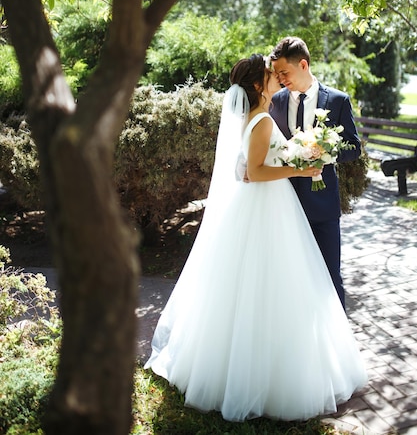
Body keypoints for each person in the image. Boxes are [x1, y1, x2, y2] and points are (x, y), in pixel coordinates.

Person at [145, 53, 367, 422]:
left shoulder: (254, 117)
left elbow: (242, 168)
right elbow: (255, 172)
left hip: (267, 206)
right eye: (270, 75)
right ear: (257, 86)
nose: (276, 79)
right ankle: (277, 376)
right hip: (270, 207)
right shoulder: (263, 119)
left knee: (256, 286)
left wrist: (294, 161)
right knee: (275, 286)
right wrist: (299, 168)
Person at [269, 36, 361, 309]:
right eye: (276, 74)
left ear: (303, 65)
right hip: (283, 204)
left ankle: (338, 344)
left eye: (284, 72)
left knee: (330, 277)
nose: (280, 78)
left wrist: (326, 152)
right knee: (289, 279)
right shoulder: (275, 101)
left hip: (323, 208)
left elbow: (354, 147)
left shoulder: (338, 100)